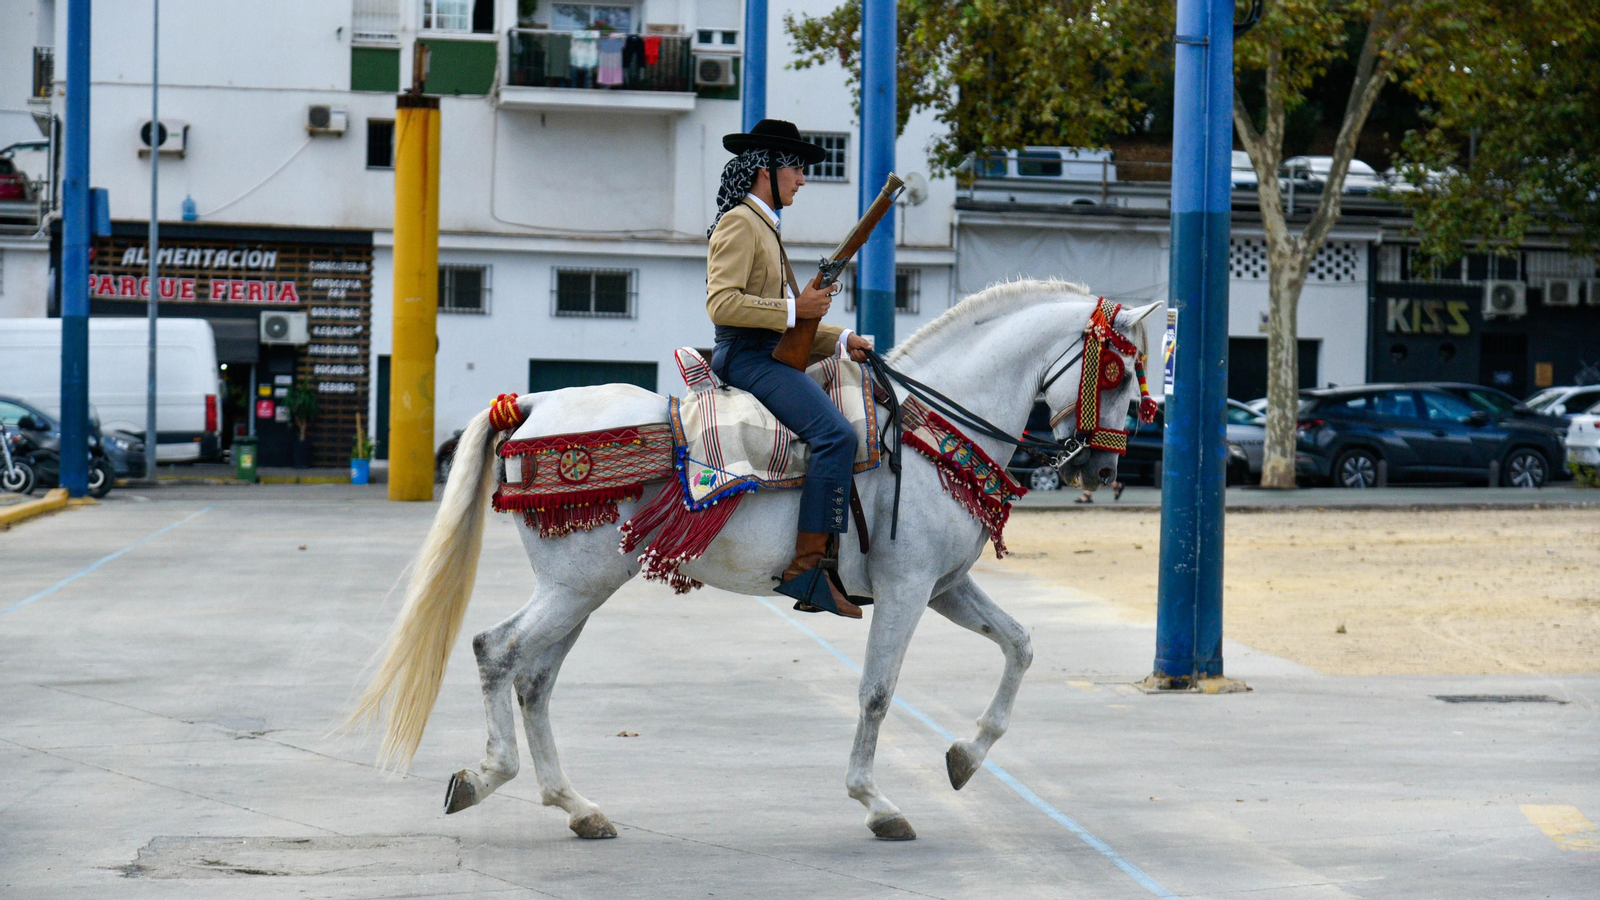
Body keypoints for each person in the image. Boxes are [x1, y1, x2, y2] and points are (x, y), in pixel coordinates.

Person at [705, 119, 874, 619]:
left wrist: (843, 338)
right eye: (796, 168)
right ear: (766, 169)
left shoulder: (764, 226)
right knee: (837, 437)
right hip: (748, 356)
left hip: (765, 351)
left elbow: (791, 316)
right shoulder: (741, 222)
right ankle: (807, 568)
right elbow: (723, 304)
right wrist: (796, 311)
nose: (802, 179)